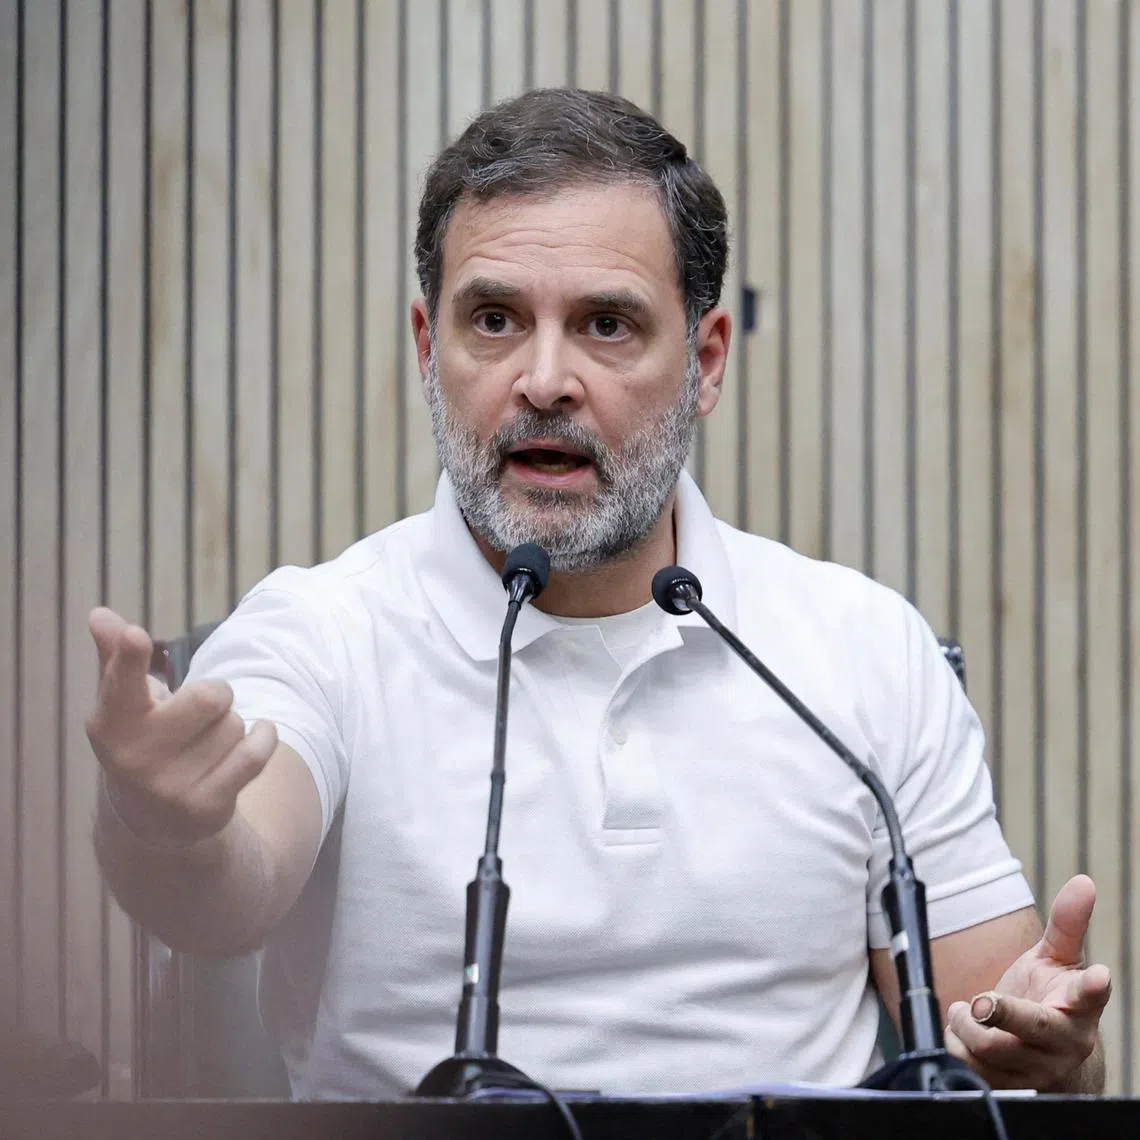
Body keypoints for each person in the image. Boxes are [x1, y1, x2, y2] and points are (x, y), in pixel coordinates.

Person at [87, 88, 1109, 1099]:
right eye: (493, 319)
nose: (542, 379)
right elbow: (222, 891)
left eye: (606, 326)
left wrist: (1052, 1049)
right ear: (425, 346)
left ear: (705, 363)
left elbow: (1006, 1048)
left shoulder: (860, 648)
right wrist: (165, 825)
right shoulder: (320, 632)